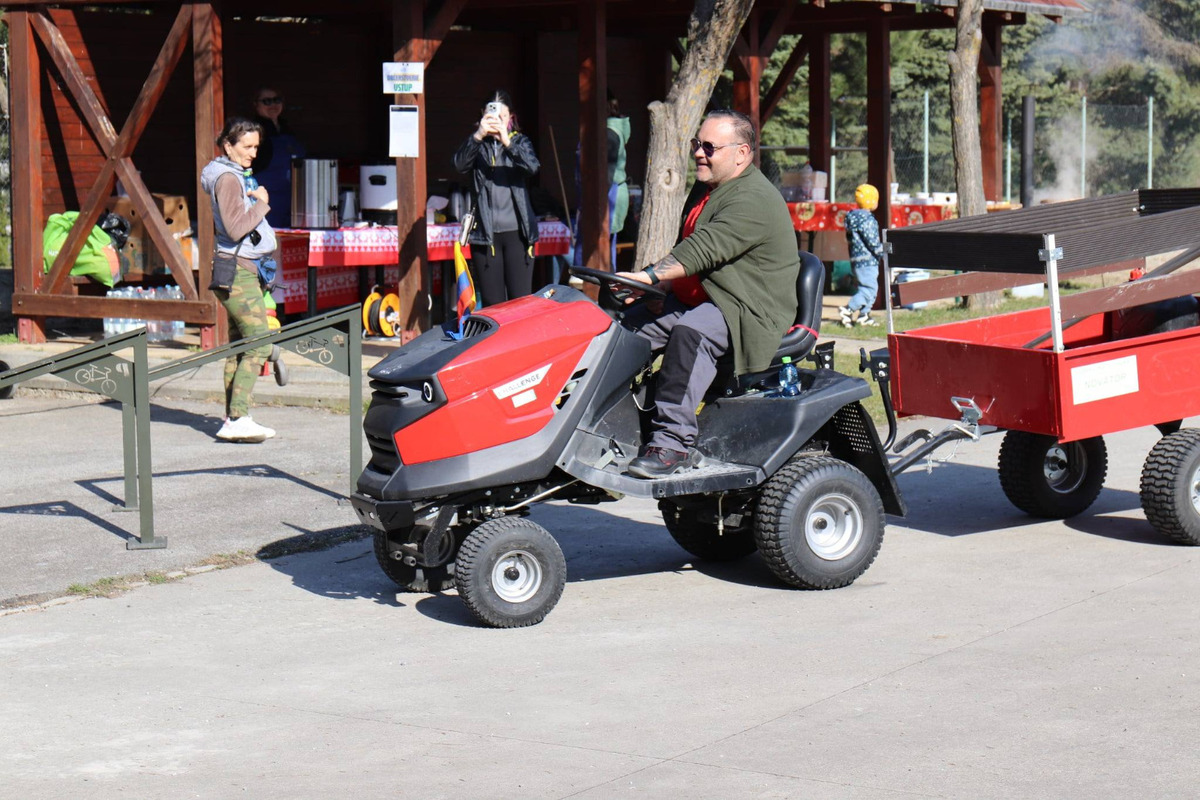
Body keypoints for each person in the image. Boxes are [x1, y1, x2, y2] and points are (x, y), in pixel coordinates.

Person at [614, 109, 800, 478]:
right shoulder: (709, 189)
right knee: (621, 332)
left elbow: (705, 249)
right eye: (697, 144)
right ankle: (592, 422)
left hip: (745, 306)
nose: (699, 153)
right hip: (704, 295)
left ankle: (672, 444)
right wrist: (660, 285)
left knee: (692, 332)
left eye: (710, 147)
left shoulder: (753, 198)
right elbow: (691, 249)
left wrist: (649, 275)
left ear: (741, 153)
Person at [200, 117, 286, 443]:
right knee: (259, 343)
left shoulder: (233, 174)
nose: (253, 153)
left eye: (256, 147)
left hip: (239, 268)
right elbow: (236, 228)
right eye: (247, 147)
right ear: (228, 145)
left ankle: (233, 418)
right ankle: (238, 417)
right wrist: (262, 203)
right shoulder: (227, 179)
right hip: (238, 271)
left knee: (240, 347)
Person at [452, 90, 541, 307]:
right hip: (485, 235)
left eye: (502, 116)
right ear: (483, 115)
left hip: (518, 235)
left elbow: (532, 167)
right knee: (493, 303)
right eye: (491, 115)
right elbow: (459, 165)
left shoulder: (519, 142)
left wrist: (507, 142)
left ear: (511, 117)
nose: (497, 121)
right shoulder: (477, 145)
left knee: (520, 301)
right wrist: (478, 135)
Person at [250, 86, 306, 229]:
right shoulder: (253, 131)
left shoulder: (287, 129)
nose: (273, 105)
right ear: (256, 105)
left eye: (277, 100)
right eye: (266, 101)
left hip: (291, 203)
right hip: (267, 204)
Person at [839, 183, 884, 327]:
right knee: (868, 289)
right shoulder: (867, 220)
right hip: (867, 260)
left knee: (871, 288)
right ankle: (848, 309)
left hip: (857, 259)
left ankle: (864, 315)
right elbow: (872, 241)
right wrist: (881, 251)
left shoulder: (852, 218)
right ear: (871, 201)